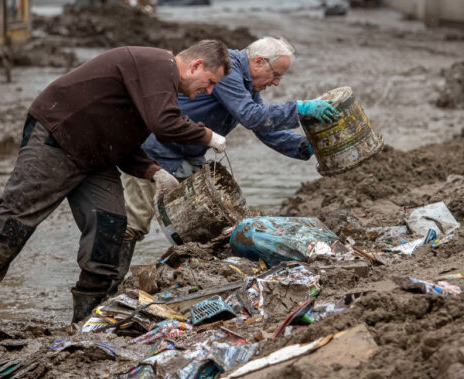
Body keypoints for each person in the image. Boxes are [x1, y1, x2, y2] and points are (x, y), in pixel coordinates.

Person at [0, 40, 232, 331]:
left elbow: (123, 141)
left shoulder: (157, 81)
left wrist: (154, 172)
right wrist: (208, 136)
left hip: (95, 154)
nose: (208, 91)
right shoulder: (160, 66)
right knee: (19, 214)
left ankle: (86, 316)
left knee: (110, 223)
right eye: (210, 82)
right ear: (196, 65)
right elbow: (164, 123)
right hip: (58, 136)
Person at [114, 36, 340, 293]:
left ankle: (187, 285)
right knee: (134, 224)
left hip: (188, 156)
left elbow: (263, 128)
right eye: (276, 75)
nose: (276, 82)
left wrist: (302, 147)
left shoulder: (248, 82)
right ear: (258, 62)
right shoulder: (228, 70)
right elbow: (251, 116)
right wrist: (299, 109)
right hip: (155, 152)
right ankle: (107, 288)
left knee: (199, 228)